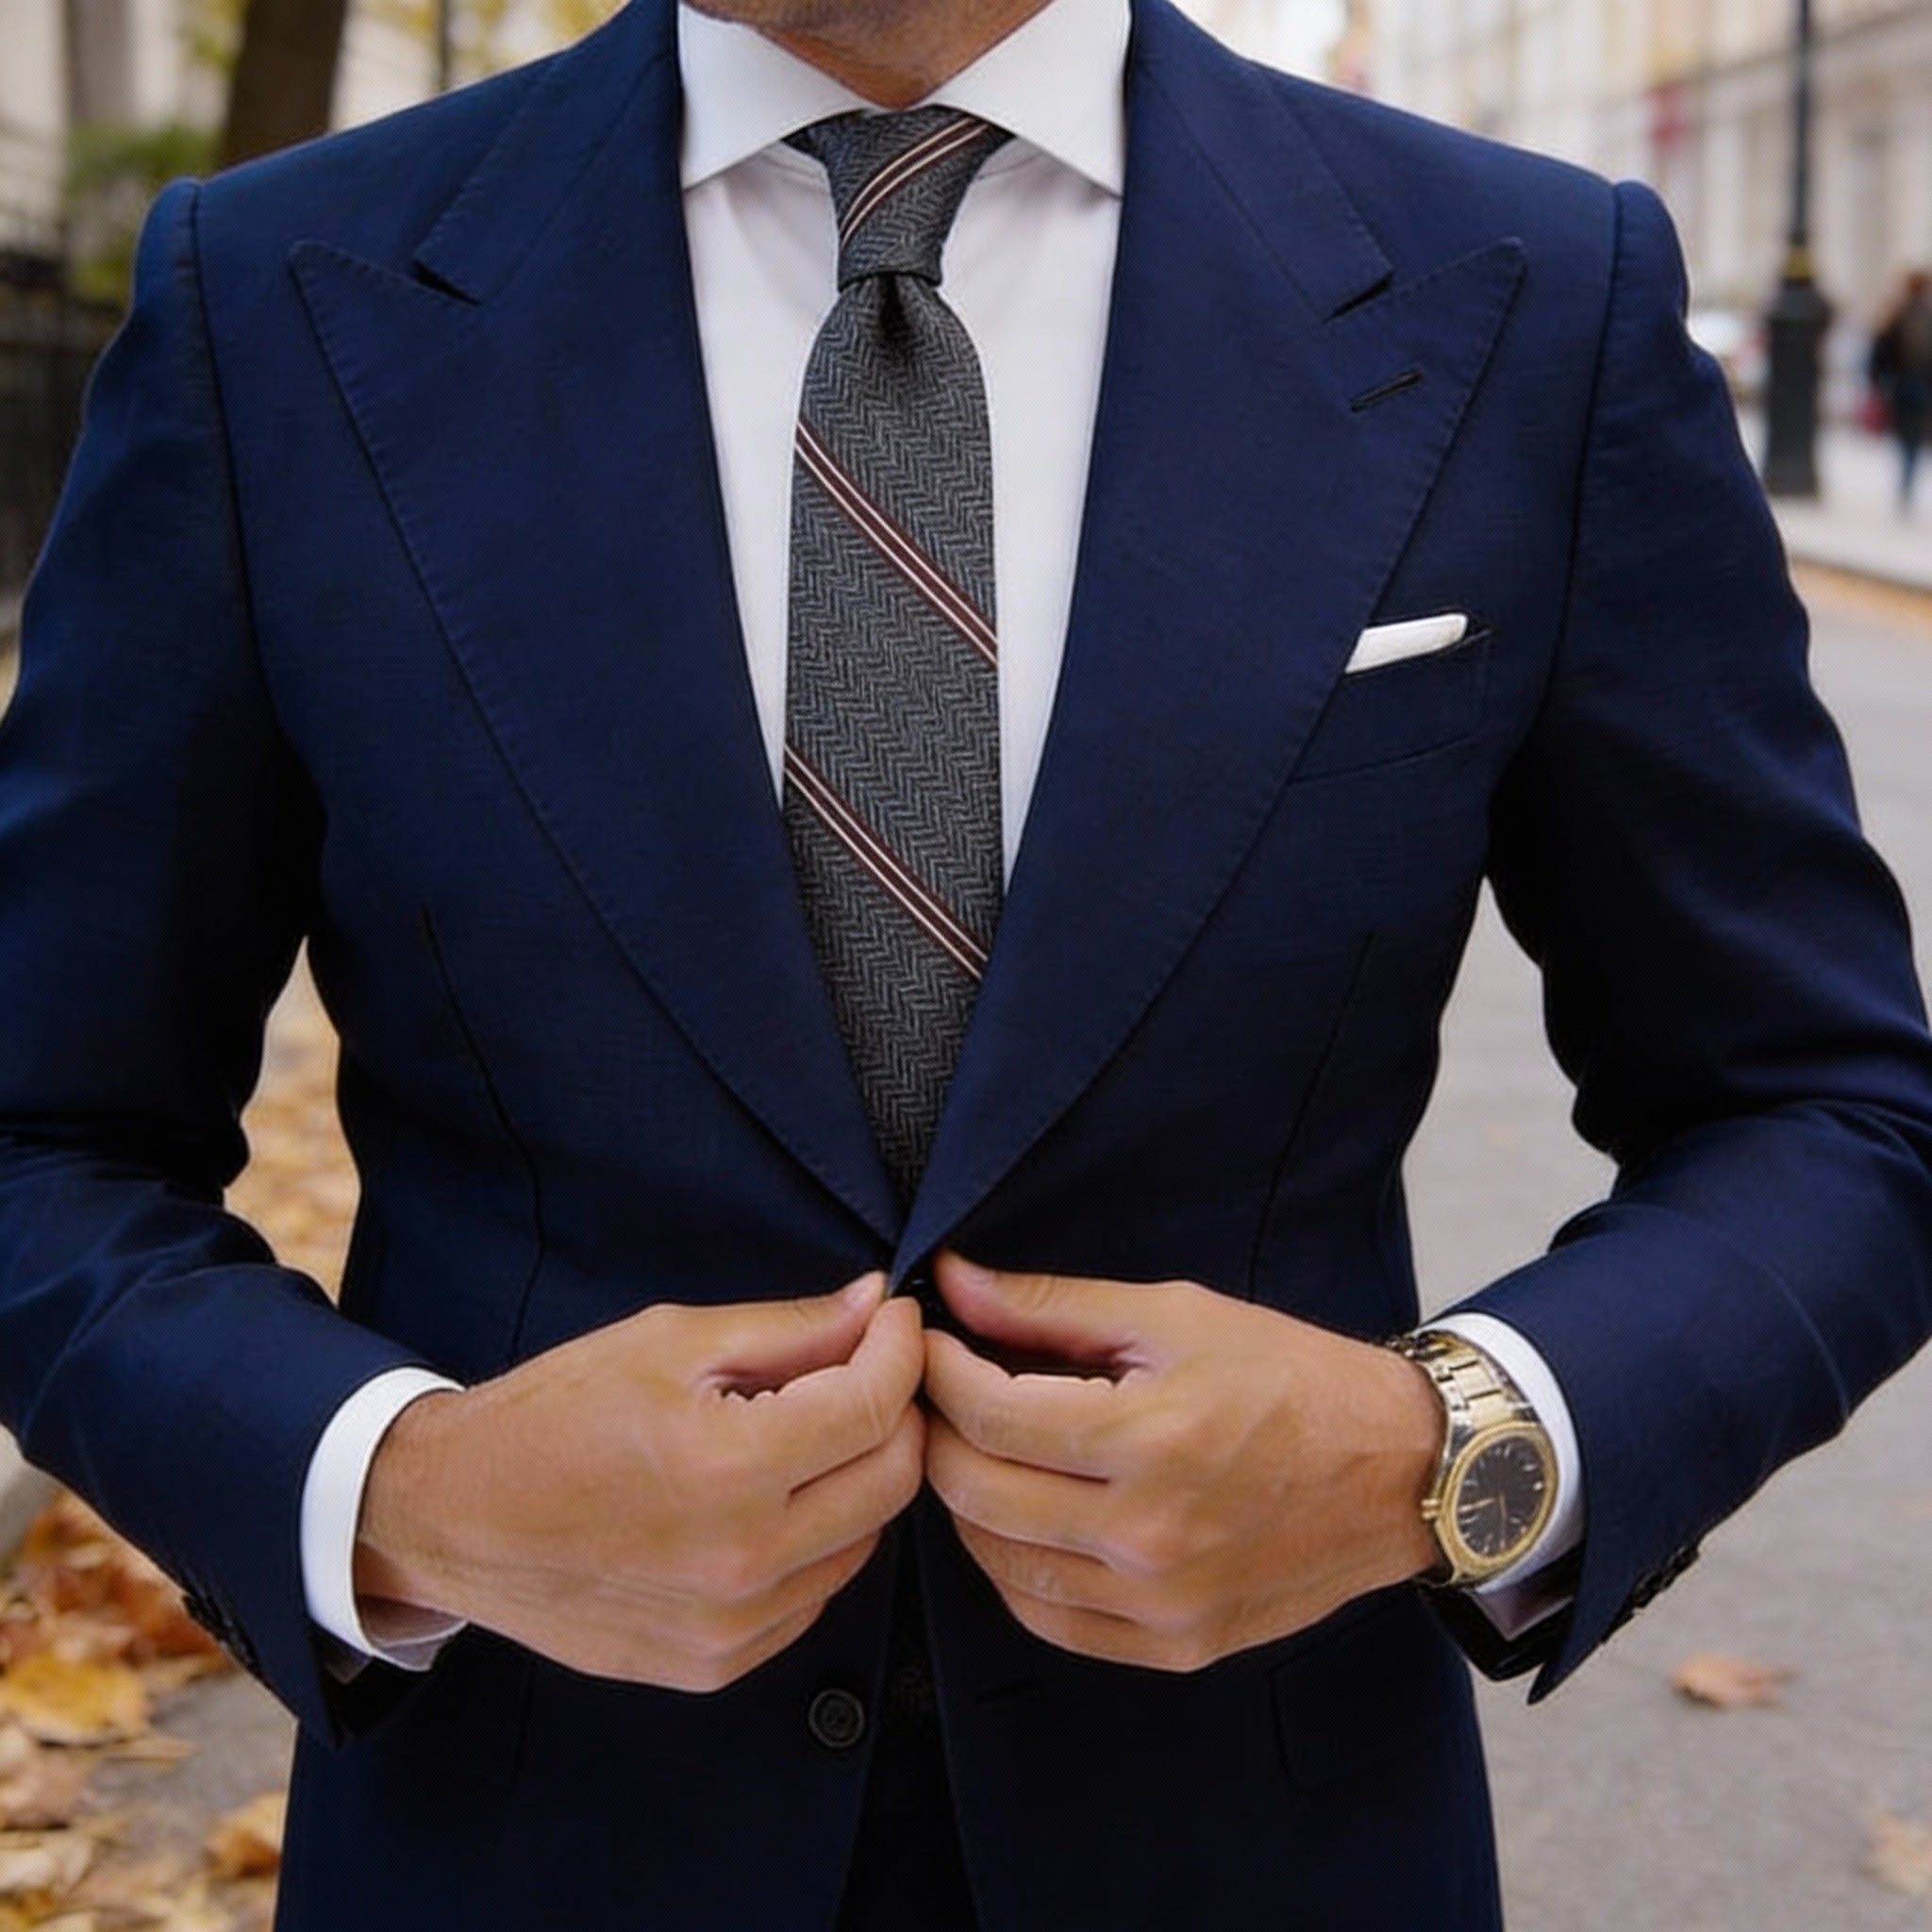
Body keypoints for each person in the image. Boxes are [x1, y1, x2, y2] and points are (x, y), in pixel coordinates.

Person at [2, 0, 1930, 1925]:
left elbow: (1824, 1109)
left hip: (1258, 1842)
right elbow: (44, 1135)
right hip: (524, 1834)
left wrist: (1445, 1446)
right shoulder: (272, 296)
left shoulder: (1527, 292)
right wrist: (400, 1492)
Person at [1871, 269, 1932, 513]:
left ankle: (1904, 485)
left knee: (1906, 438)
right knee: (1915, 438)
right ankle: (1907, 483)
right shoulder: (1923, 316)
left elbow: (1880, 354)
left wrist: (1879, 382)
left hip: (1901, 387)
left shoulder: (1895, 315)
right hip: (1921, 388)